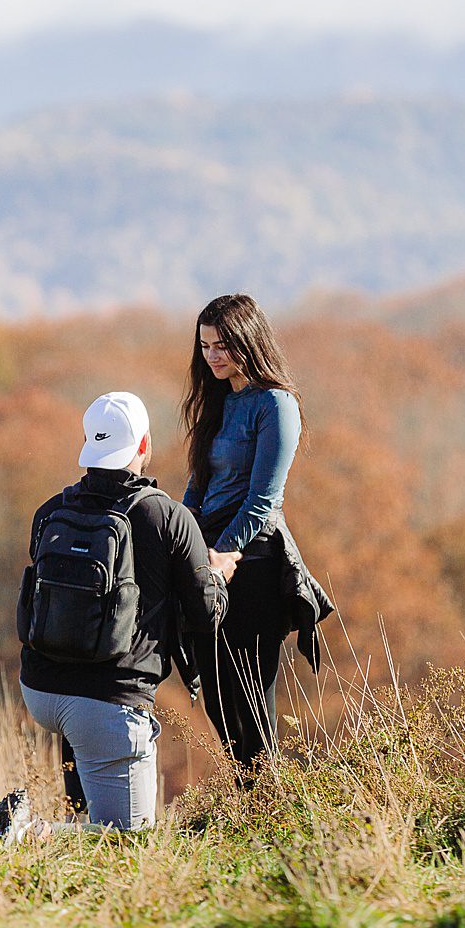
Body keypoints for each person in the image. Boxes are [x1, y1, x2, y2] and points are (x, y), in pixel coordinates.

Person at [0, 390, 227, 842]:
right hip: (109, 700)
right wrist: (218, 574)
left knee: (91, 817)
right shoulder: (168, 517)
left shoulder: (51, 511)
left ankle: (61, 843)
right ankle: (29, 832)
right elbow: (205, 614)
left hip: (41, 689)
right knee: (131, 840)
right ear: (144, 445)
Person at [179, 294, 330, 775]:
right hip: (207, 560)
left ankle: (272, 809)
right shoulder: (218, 403)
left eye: (223, 345)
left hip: (255, 563)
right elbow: (198, 485)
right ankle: (252, 800)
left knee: (250, 697)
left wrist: (224, 555)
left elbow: (263, 499)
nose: (213, 356)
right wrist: (181, 540)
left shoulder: (275, 404)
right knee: (218, 701)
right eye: (205, 347)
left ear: (250, 339)